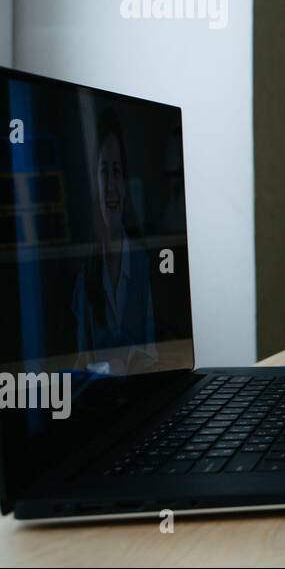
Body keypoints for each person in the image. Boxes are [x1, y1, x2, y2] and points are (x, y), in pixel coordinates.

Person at [72, 107, 158, 373]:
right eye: (103, 172)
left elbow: (159, 358)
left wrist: (126, 362)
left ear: (125, 182)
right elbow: (80, 366)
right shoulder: (84, 280)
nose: (110, 186)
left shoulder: (146, 267)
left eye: (117, 171)